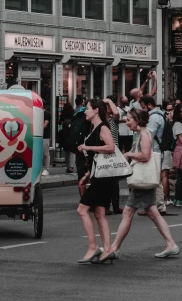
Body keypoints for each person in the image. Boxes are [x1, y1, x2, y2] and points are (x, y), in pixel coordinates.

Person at [109, 108, 179, 261]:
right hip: (144, 181)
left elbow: (146, 155)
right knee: (153, 213)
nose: (126, 122)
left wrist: (129, 154)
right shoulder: (142, 134)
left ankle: (114, 248)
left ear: (137, 120)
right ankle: (171, 244)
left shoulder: (144, 135)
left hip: (142, 181)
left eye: (128, 120)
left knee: (128, 213)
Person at [76, 99, 116, 264]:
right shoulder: (94, 129)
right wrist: (87, 174)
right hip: (98, 176)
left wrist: (88, 148)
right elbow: (96, 158)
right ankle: (107, 250)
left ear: (96, 111)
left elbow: (111, 147)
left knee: (82, 209)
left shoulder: (103, 128)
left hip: (103, 178)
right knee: (99, 213)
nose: (85, 111)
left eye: (88, 109)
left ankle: (93, 247)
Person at [140, 95, 167, 215]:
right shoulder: (159, 115)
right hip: (155, 150)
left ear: (149, 105)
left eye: (143, 107)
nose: (143, 110)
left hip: (154, 150)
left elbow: (149, 135)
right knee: (153, 178)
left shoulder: (154, 117)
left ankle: (158, 206)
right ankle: (154, 206)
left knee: (154, 179)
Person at [103, 97, 122, 215]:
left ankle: (115, 206)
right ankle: (105, 206)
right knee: (105, 182)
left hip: (115, 154)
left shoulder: (113, 121)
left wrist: (109, 101)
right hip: (105, 154)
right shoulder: (100, 122)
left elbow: (116, 113)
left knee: (115, 182)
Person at [71, 95, 88, 180]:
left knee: (81, 173)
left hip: (78, 144)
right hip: (84, 146)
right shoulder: (84, 114)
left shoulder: (75, 112)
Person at [59, 101, 75, 173]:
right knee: (72, 151)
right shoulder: (73, 113)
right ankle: (71, 167)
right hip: (71, 133)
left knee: (66, 151)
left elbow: (59, 122)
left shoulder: (63, 114)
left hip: (64, 134)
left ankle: (67, 166)